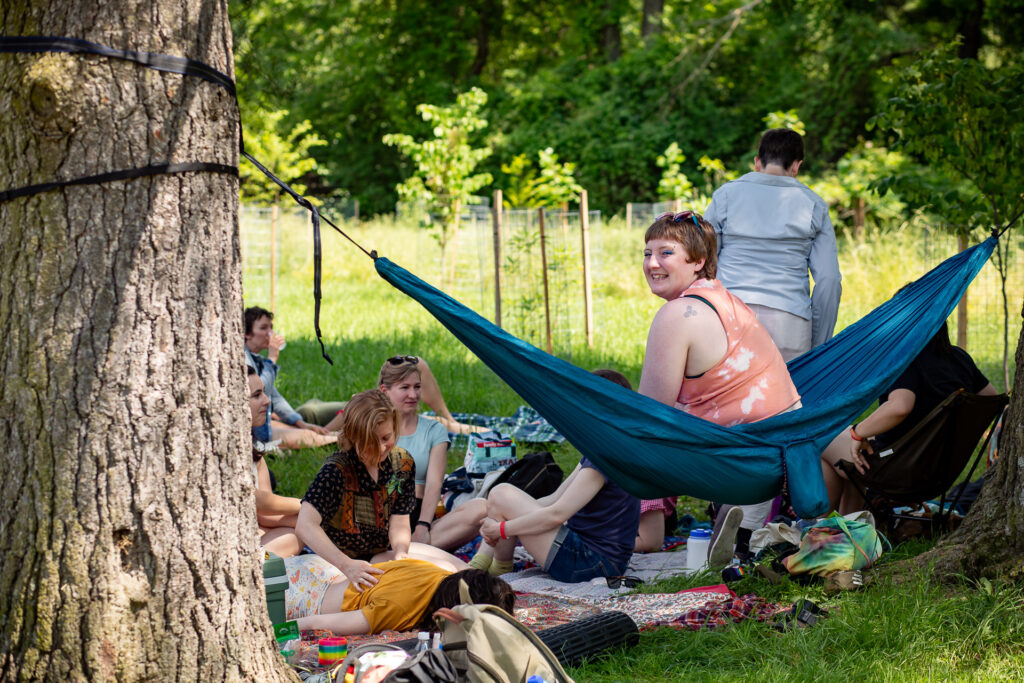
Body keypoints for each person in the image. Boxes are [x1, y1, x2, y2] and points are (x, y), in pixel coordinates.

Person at [638, 210, 801, 563]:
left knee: (614, 440)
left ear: (698, 260)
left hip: (738, 453)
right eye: (647, 253)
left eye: (665, 253)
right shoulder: (727, 300)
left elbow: (650, 413)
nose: (652, 263)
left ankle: (568, 517)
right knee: (720, 559)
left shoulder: (677, 315)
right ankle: (746, 528)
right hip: (784, 445)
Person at [820, 322, 998, 515]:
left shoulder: (905, 359)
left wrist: (857, 432)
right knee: (854, 453)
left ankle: (815, 524)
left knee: (818, 439)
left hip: (896, 470)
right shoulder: (959, 358)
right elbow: (991, 400)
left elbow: (900, 407)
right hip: (938, 472)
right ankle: (850, 528)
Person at [703, 127, 842, 362]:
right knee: (784, 398)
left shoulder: (725, 195)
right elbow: (829, 281)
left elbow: (703, 260)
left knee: (722, 398)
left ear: (757, 162)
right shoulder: (814, 205)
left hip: (727, 315)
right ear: (797, 165)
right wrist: (818, 343)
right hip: (790, 324)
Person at [469, 453, 640, 582]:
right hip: (594, 558)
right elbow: (555, 498)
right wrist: (509, 513)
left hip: (593, 565)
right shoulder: (597, 453)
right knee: (501, 497)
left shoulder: (602, 461)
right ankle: (489, 566)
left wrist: (501, 529)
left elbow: (557, 515)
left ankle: (490, 569)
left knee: (501, 494)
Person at [377, 356, 488, 551]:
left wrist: (423, 526)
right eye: (405, 388)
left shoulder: (434, 430)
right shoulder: (373, 428)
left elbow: (434, 483)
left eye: (417, 387)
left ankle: (410, 551)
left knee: (481, 508)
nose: (413, 394)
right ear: (384, 390)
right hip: (379, 518)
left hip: (420, 518)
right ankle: (408, 553)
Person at [283, 554, 514, 634]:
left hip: (314, 567)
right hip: (301, 595)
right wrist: (277, 631)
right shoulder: (402, 607)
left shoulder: (439, 574)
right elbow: (319, 623)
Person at [591, 368, 677, 553]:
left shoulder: (638, 458)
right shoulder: (599, 445)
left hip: (645, 523)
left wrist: (595, 543)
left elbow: (651, 542)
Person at [244, 306, 335, 448]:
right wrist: (272, 358)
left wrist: (301, 423)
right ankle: (341, 442)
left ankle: (335, 437)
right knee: (306, 436)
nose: (270, 333)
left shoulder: (258, 360)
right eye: (263, 328)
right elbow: (260, 389)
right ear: (247, 334)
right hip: (254, 432)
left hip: (262, 425)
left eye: (271, 328)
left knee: (304, 430)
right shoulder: (245, 359)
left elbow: (274, 397)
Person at [248, 366, 303, 557]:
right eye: (256, 395)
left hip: (262, 539)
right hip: (243, 549)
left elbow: (265, 514)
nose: (266, 400)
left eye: (263, 393)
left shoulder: (256, 453)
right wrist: (307, 505)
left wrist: (306, 518)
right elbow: (255, 498)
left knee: (302, 533)